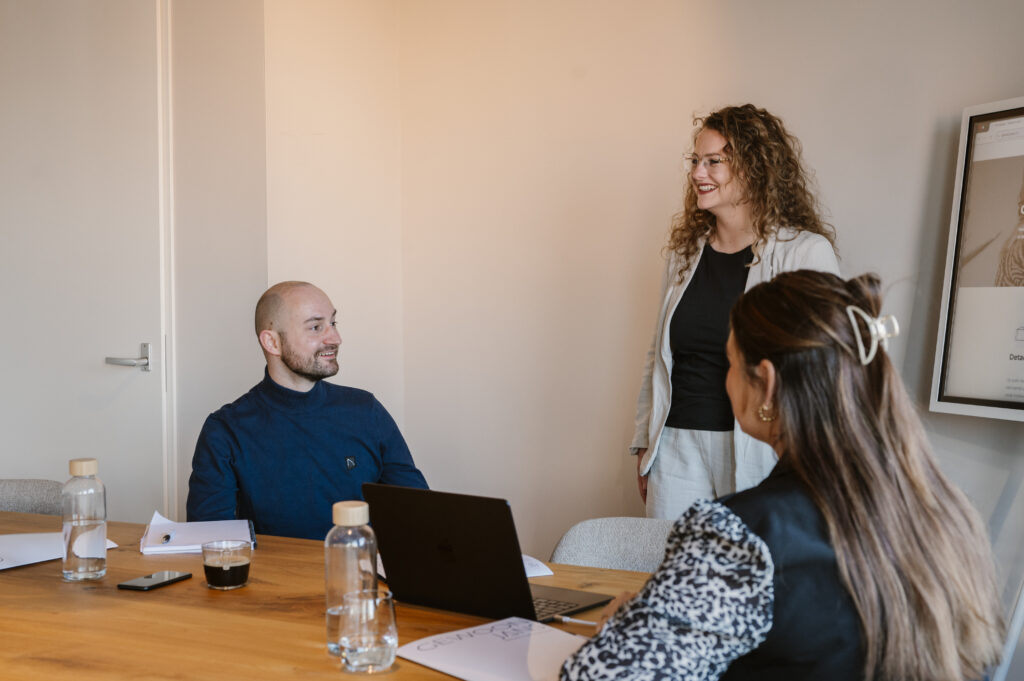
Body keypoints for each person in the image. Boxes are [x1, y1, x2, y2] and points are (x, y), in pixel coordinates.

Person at [565, 270, 1005, 681]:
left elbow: (596, 676)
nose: (726, 379)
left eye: (731, 362)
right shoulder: (947, 515)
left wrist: (625, 621)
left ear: (768, 383)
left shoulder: (741, 538)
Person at [632, 104, 840, 520]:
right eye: (695, 161)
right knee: (677, 579)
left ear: (754, 168)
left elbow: (826, 366)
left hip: (757, 449)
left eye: (714, 162)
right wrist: (644, 440)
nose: (697, 173)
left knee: (752, 577)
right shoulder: (683, 255)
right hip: (675, 447)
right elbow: (659, 352)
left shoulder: (804, 252)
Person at [186, 281, 427, 540]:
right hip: (274, 578)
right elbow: (210, 543)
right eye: (315, 327)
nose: (335, 338)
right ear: (272, 342)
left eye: (333, 323)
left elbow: (420, 513)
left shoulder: (366, 411)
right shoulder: (225, 430)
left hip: (359, 575)